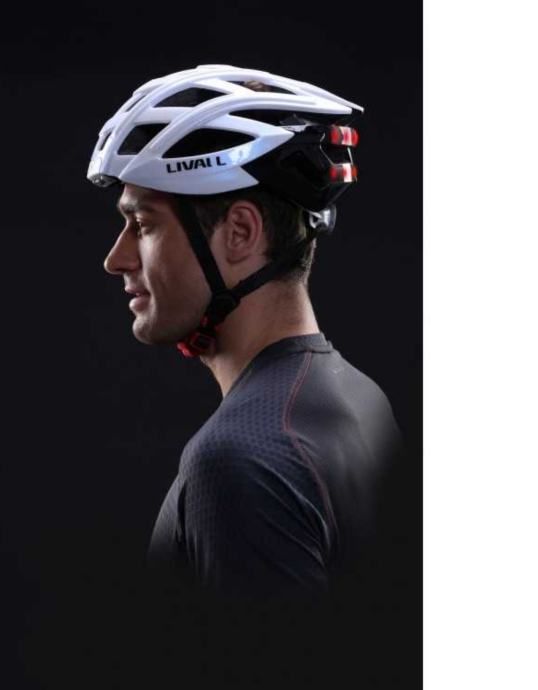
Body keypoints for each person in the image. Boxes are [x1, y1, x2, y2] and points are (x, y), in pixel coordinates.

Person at [87, 65, 401, 598]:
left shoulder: (237, 460)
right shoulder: (360, 399)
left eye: (142, 224)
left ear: (240, 233)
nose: (115, 259)